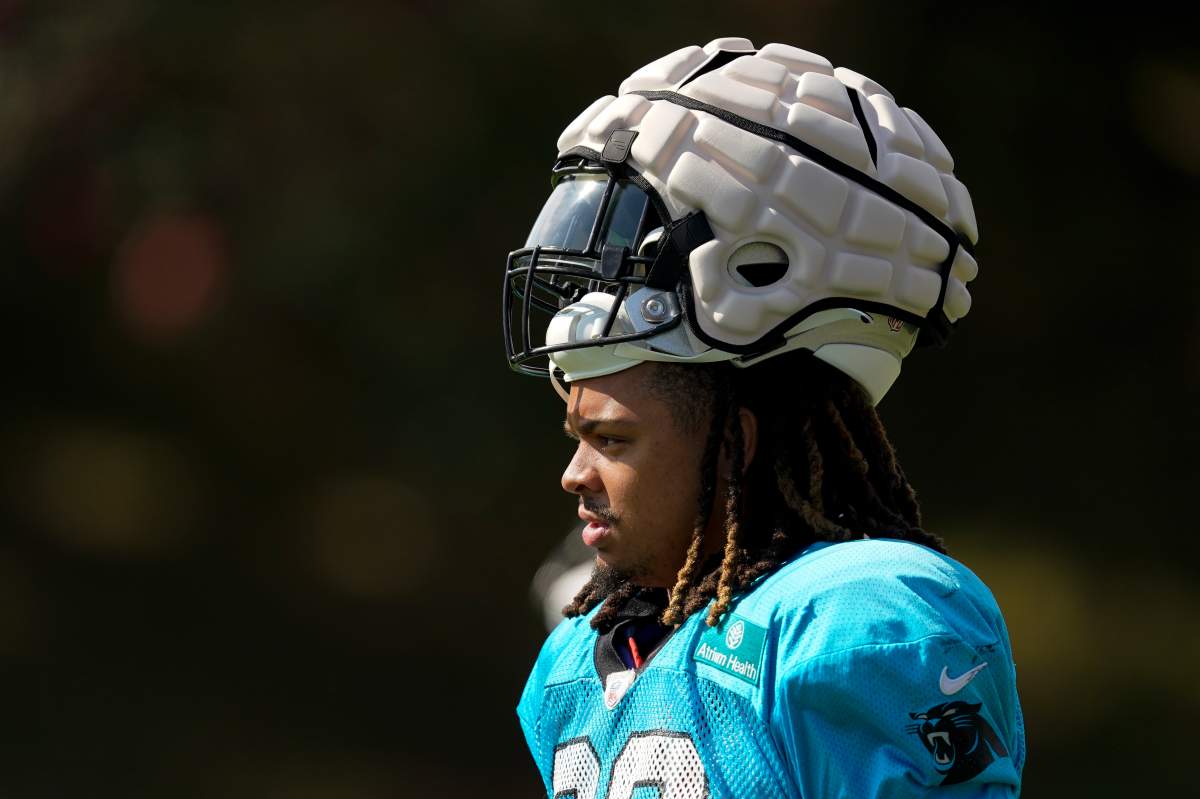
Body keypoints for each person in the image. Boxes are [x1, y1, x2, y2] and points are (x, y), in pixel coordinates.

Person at [503, 37, 1024, 798]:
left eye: (612, 438)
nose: (574, 474)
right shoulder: (580, 658)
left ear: (735, 443)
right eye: (578, 436)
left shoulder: (861, 618)